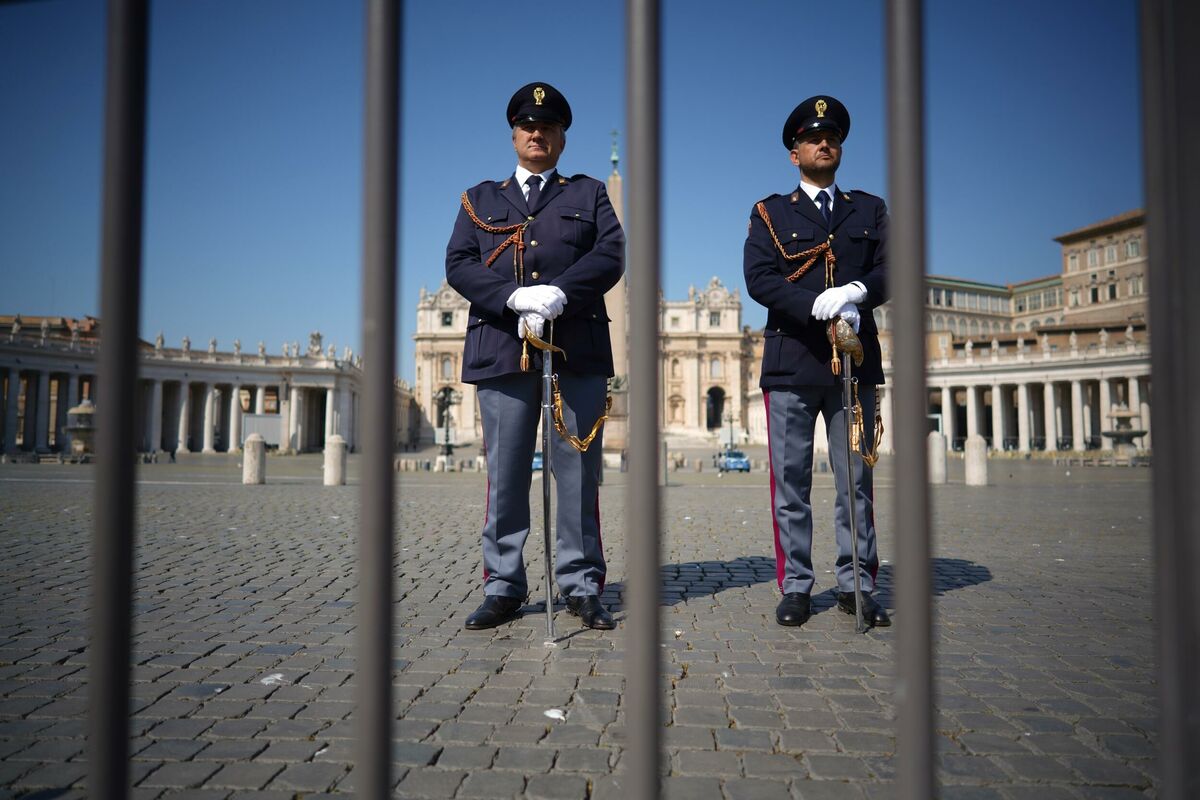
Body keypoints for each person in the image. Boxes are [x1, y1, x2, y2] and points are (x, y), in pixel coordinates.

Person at [445, 81, 625, 631]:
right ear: (514, 135)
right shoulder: (480, 199)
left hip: (576, 348)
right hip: (502, 347)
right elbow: (459, 263)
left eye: (548, 127)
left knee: (578, 473)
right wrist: (512, 297)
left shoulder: (590, 193)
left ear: (562, 138)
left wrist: (560, 293)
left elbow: (611, 253)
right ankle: (503, 584)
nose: (537, 133)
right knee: (505, 474)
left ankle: (581, 584)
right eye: (528, 126)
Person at [742, 95, 891, 628]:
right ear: (795, 152)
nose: (823, 144)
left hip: (855, 361)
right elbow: (759, 278)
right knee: (791, 482)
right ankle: (797, 585)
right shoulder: (769, 212)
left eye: (831, 138)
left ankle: (857, 583)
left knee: (856, 481)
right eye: (812, 138)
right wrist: (813, 305)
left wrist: (856, 291)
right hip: (793, 360)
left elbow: (891, 267)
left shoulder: (870, 209)